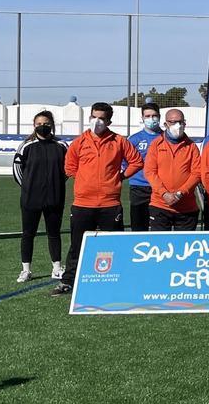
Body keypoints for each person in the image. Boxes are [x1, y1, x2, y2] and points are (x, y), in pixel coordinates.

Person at [52, 102, 143, 296]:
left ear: (109, 120)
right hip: (83, 204)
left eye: (101, 118)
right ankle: (68, 281)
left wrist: (120, 176)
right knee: (77, 245)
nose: (97, 121)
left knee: (115, 245)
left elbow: (136, 161)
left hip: (110, 204)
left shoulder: (119, 141)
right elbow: (69, 167)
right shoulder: (79, 142)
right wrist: (87, 181)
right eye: (94, 117)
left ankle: (120, 280)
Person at [12, 110, 68, 282]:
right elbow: (16, 170)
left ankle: (57, 268)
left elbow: (68, 170)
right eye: (39, 124)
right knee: (28, 233)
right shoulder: (26, 146)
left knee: (54, 233)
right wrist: (29, 187)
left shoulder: (62, 146)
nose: (42, 126)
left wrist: (56, 185)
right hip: (31, 199)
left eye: (46, 123)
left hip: (54, 198)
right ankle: (26, 270)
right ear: (34, 125)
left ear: (52, 125)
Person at [144, 108, 202, 232]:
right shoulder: (156, 144)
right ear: (165, 124)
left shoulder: (192, 147)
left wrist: (181, 193)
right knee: (160, 246)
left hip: (187, 208)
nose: (178, 125)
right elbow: (150, 172)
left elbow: (197, 173)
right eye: (173, 122)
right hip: (160, 206)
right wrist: (164, 193)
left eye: (181, 122)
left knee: (184, 248)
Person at [126, 102, 162, 232]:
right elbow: (125, 163)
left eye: (154, 115)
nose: (151, 119)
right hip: (139, 187)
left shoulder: (166, 138)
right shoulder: (134, 139)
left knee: (159, 225)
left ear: (159, 116)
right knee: (139, 226)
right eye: (147, 116)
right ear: (142, 118)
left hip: (160, 187)